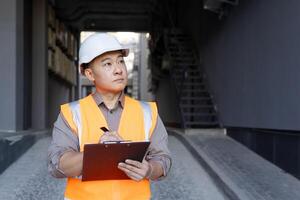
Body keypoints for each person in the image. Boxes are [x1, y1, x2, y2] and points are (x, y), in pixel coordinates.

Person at [48, 33, 172, 200]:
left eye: (120, 61)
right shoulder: (71, 113)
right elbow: (56, 165)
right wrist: (97, 153)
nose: (119, 69)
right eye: (107, 64)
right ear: (90, 74)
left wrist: (149, 169)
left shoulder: (147, 112)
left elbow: (163, 160)